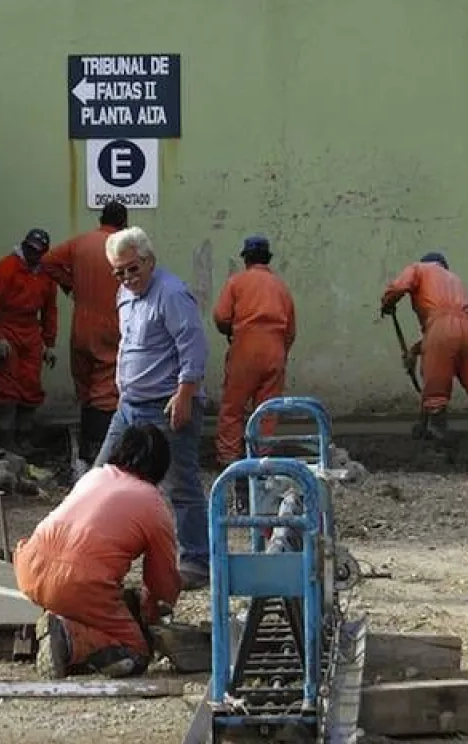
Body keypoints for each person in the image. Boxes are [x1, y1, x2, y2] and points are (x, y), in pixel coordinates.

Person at [92, 226, 211, 591]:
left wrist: (185, 394)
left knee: (180, 484)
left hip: (166, 405)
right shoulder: (124, 296)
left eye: (132, 269)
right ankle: (95, 553)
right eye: (118, 271)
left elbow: (193, 346)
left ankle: (196, 561)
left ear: (149, 260)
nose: (126, 278)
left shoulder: (171, 294)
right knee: (101, 476)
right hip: (129, 406)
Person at [14, 423, 181, 680]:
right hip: (76, 583)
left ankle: (60, 622)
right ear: (161, 465)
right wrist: (151, 614)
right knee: (137, 652)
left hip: (30, 566)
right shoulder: (153, 504)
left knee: (94, 596)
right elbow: (162, 582)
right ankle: (70, 639)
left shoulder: (95, 475)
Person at [380, 252, 468, 449]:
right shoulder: (455, 279)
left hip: (441, 330)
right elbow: (453, 330)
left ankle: (438, 439)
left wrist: (388, 303)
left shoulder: (419, 268)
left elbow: (399, 288)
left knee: (436, 388)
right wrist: (416, 351)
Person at [40, 202, 128, 477]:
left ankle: (83, 460)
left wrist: (71, 284)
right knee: (105, 393)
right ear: (123, 223)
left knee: (85, 388)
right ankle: (97, 455)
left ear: (100, 218)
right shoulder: (121, 247)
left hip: (81, 328)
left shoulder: (81, 242)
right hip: (111, 329)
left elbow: (47, 261)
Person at [212, 235, 296, 506]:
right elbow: (291, 331)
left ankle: (230, 466)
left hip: (245, 350)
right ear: (268, 259)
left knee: (232, 410)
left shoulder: (236, 282)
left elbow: (221, 317)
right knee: (266, 412)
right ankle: (262, 465)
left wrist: (234, 330)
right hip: (275, 351)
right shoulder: (281, 287)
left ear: (246, 259)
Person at [0, 228, 59, 452]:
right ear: (24, 247)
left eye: (38, 252)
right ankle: (5, 441)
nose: (33, 255)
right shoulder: (5, 268)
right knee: (7, 387)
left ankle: (24, 440)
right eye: (30, 249)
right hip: (7, 328)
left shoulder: (46, 274)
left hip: (31, 332)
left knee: (30, 385)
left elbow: (50, 310)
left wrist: (49, 344)